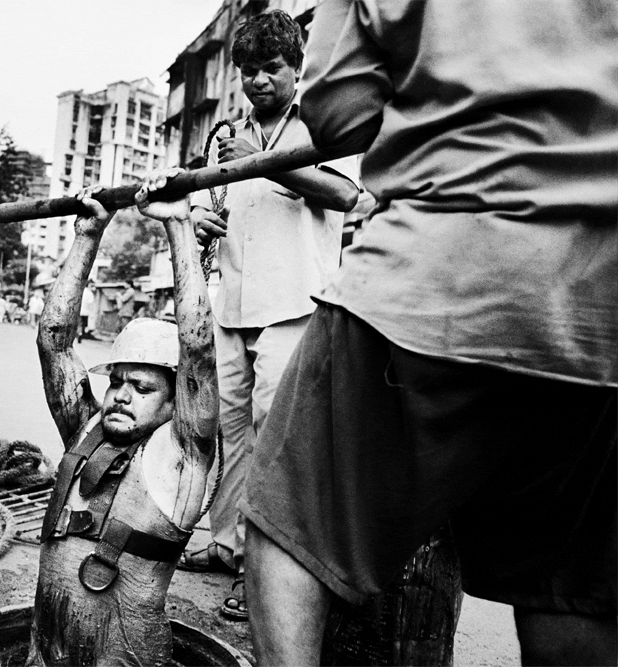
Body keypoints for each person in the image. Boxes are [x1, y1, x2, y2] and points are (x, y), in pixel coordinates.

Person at [241, 0, 617, 664]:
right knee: (569, 586)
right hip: (599, 300)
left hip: (437, 266)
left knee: (288, 516)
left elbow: (338, 116)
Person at [181, 9, 359, 622]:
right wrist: (203, 221)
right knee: (230, 431)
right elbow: (217, 206)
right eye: (249, 70)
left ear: (297, 65)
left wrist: (265, 158)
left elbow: (345, 195)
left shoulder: (321, 124)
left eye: (272, 68)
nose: (259, 80)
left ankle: (266, 570)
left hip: (294, 302)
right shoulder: (225, 133)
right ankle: (224, 546)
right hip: (233, 303)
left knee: (278, 437)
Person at [26, 173, 218, 666]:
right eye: (117, 382)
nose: (121, 396)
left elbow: (197, 349)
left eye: (143, 387)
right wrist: (87, 236)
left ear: (176, 401)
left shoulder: (182, 458)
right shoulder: (87, 430)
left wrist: (178, 225)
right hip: (45, 649)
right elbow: (53, 339)